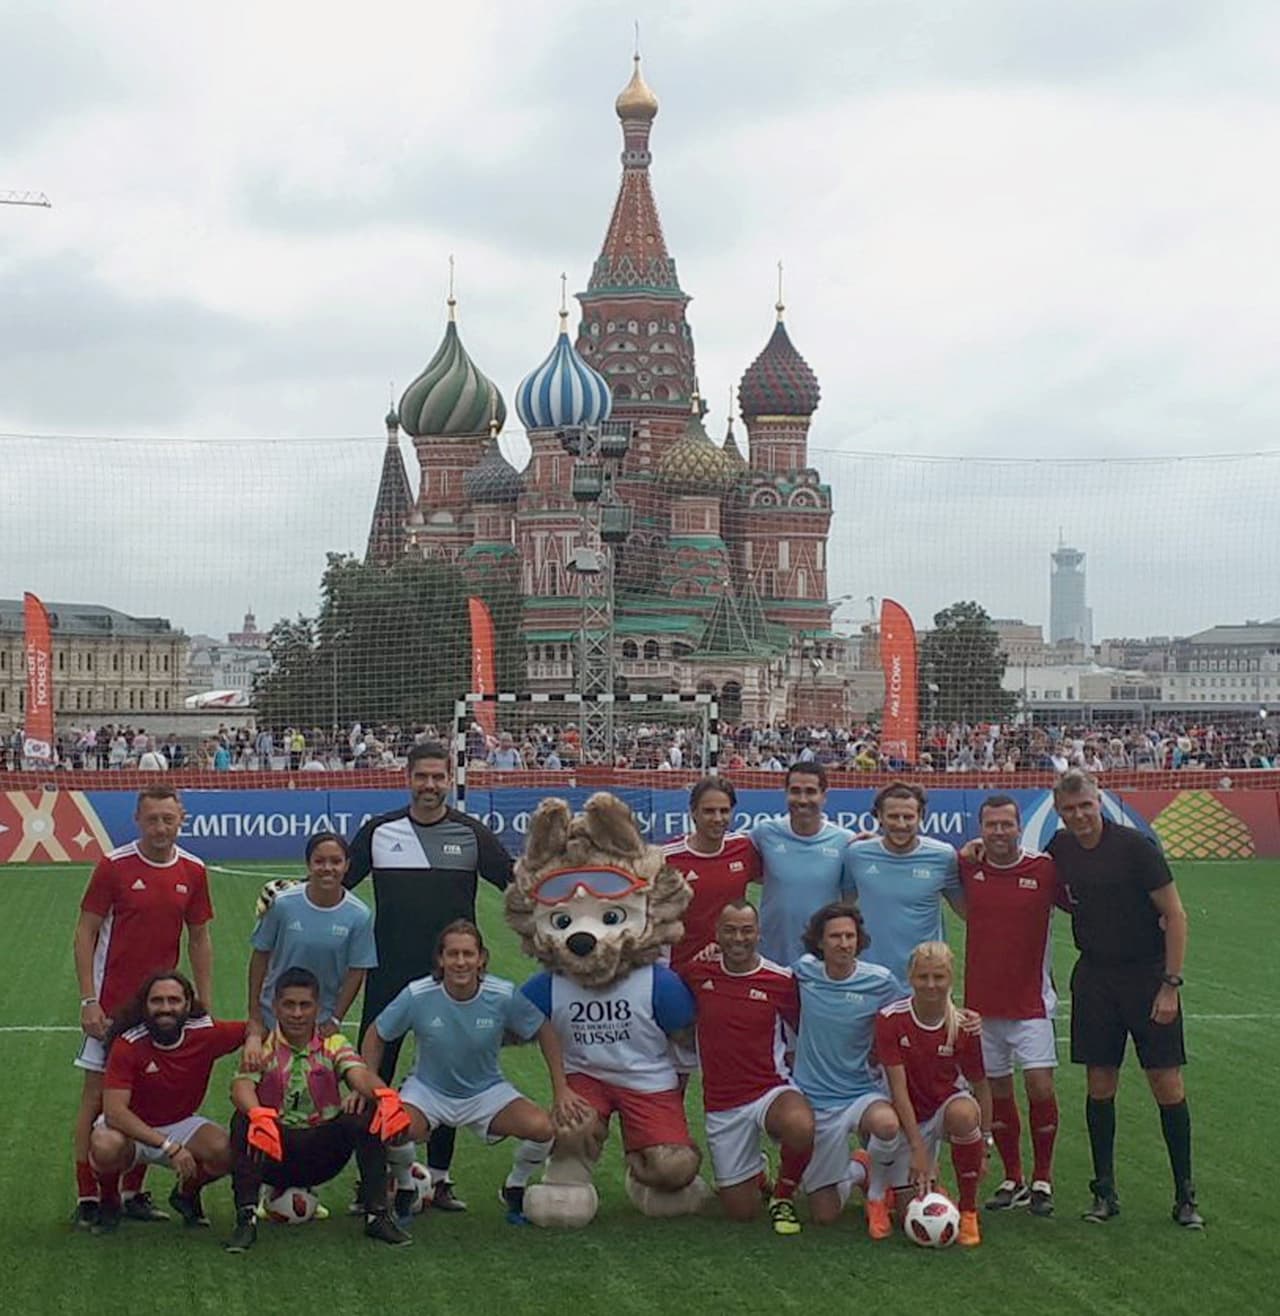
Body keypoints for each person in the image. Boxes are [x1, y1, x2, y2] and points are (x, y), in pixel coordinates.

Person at [344, 740, 515, 1211]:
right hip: (389, 974)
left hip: (454, 978)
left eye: (439, 777)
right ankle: (373, 1183)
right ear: (408, 778)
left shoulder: (471, 833)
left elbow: (516, 884)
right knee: (370, 1075)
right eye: (422, 776)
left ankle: (438, 1180)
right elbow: (335, 886)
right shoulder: (379, 832)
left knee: (449, 1076)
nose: (431, 785)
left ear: (450, 779)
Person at [1048, 770, 1202, 1228]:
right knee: (1099, 1084)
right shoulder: (1059, 849)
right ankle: (1104, 1192)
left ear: (1100, 803)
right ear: (1059, 812)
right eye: (1070, 809)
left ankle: (1186, 1197)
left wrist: (1170, 984)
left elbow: (1175, 916)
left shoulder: (1136, 848)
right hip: (1095, 976)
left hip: (1147, 976)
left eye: (1085, 806)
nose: (1079, 816)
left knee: (1166, 1084)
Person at [361, 921, 588, 1225]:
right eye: (452, 954)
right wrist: (375, 1090)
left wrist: (561, 1089)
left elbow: (545, 1031)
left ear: (482, 958)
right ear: (440, 959)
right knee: (391, 1127)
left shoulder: (503, 994)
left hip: (486, 1091)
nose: (460, 962)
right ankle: (406, 1187)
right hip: (428, 1090)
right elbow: (376, 1034)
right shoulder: (418, 994)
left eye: (468, 954)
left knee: (542, 1128)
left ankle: (514, 1186)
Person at [71, 787, 217, 1230]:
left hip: (163, 1012)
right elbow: (85, 932)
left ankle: (133, 1192)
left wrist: (202, 999)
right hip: (112, 1011)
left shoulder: (192, 870)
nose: (160, 828)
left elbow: (199, 938)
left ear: (182, 820)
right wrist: (89, 999)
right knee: (95, 1099)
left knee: (149, 1102)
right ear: (137, 820)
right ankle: (89, 1196)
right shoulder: (114, 866)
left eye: (168, 819)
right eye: (152, 819)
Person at [225, 968, 410, 1252]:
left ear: (318, 1008)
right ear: (275, 1007)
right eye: (289, 1005)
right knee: (243, 1120)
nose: (297, 1013)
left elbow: (359, 1074)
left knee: (368, 1111)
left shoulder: (333, 1043)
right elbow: (241, 1088)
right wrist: (258, 1114)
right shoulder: (260, 1047)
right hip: (275, 1150)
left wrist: (384, 1095)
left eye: (304, 1005)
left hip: (323, 1152)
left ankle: (377, 1214)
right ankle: (245, 1220)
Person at [681, 900, 814, 1236]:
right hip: (723, 1103)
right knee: (741, 1212)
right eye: (729, 930)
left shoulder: (781, 980)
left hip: (770, 1089)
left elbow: (804, 1032)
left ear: (758, 933)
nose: (738, 938)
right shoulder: (697, 973)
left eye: (746, 930)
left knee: (799, 1125)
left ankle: (783, 1195)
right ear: (716, 934)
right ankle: (756, 1172)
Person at [959, 795, 1061, 1216]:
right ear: (980, 828)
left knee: (1039, 1085)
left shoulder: (1044, 869)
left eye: (1006, 824)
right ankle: (1013, 1177)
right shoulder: (968, 865)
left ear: (1019, 826)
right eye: (991, 825)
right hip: (982, 1007)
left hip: (1031, 1002)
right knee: (997, 1092)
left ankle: (1043, 1178)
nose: (999, 832)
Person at [90, 972, 245, 1233]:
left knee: (228, 1151)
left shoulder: (205, 1033)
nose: (165, 1008)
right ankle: (109, 1200)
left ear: (187, 1004)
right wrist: (168, 1146)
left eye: (174, 1000)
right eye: (157, 1001)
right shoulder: (128, 1044)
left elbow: (254, 1027)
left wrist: (252, 1041)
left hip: (180, 1122)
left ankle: (186, 1193)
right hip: (131, 1127)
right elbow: (115, 1113)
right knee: (105, 1145)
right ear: (145, 1005)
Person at [791, 901, 908, 1237]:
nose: (844, 943)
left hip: (861, 1091)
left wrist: (959, 1018)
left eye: (850, 936)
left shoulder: (880, 981)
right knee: (825, 1216)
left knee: (886, 1125)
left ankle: (876, 1191)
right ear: (819, 941)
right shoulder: (804, 972)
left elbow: (907, 1017)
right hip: (814, 1098)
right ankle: (859, 1169)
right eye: (835, 937)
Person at [876, 942, 991, 1247]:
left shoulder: (964, 1025)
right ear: (910, 978)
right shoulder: (891, 1019)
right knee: (906, 1216)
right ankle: (869, 1170)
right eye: (922, 977)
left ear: (950, 979)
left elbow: (980, 1085)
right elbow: (898, 1090)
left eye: (938, 977)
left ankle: (968, 1211)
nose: (930, 985)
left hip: (943, 1111)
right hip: (904, 1118)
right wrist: (918, 1150)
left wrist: (986, 1144)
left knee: (965, 1114)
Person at [248, 832, 376, 1035]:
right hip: (273, 1017)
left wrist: (336, 1018)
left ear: (347, 865)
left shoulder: (359, 915)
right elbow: (260, 955)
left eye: (336, 861)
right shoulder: (282, 904)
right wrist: (255, 1015)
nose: (327, 868)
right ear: (308, 864)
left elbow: (357, 971)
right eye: (319, 861)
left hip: (321, 1022)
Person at [842, 782, 964, 981]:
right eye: (892, 816)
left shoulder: (943, 856)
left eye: (908, 817)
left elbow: (965, 910)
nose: (900, 824)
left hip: (925, 978)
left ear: (920, 816)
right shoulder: (857, 854)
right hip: (871, 976)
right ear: (879, 816)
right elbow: (843, 905)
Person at [750, 763, 855, 966]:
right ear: (785, 793)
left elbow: (849, 900)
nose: (802, 800)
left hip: (822, 962)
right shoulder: (764, 833)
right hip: (770, 958)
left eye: (811, 792)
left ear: (824, 795)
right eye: (795, 791)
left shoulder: (845, 841)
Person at [662, 777, 762, 975]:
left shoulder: (743, 847)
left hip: (731, 967)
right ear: (693, 813)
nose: (717, 818)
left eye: (724, 811)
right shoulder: (667, 858)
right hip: (682, 968)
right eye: (709, 811)